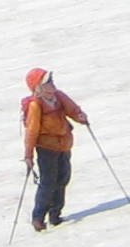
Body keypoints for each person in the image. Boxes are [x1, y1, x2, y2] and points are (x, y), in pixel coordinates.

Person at [22, 66, 87, 230]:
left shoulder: (58, 97)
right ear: (39, 87)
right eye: (47, 82)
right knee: (48, 182)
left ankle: (55, 215)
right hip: (47, 148)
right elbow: (31, 131)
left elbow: (72, 109)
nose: (52, 83)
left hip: (64, 145)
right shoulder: (36, 106)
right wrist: (28, 155)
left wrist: (80, 117)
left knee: (63, 178)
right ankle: (38, 217)